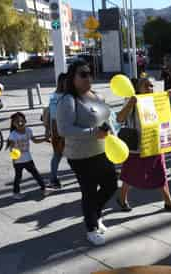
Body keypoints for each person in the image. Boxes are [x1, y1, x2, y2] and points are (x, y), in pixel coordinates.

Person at [56, 61, 118, 246]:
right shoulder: (68, 100)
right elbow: (64, 129)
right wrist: (93, 133)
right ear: (72, 78)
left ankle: (94, 214)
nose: (88, 77)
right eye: (82, 74)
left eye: (90, 73)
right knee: (89, 191)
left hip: (102, 151)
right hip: (80, 155)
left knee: (111, 185)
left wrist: (114, 137)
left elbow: (107, 119)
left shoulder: (96, 95)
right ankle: (91, 228)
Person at [116, 77, 171, 212]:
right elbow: (119, 118)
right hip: (137, 147)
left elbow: (164, 116)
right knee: (130, 174)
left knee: (161, 171)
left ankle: (168, 201)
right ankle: (122, 198)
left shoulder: (154, 100)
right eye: (146, 86)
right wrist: (131, 103)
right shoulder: (131, 100)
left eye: (151, 86)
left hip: (154, 143)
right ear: (138, 89)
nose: (150, 88)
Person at [7, 112, 49, 200]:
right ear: (13, 124)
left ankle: (44, 189)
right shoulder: (13, 135)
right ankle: (16, 193)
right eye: (17, 122)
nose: (20, 123)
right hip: (18, 161)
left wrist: (44, 139)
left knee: (36, 174)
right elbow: (11, 149)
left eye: (21, 121)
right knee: (18, 177)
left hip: (28, 159)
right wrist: (14, 160)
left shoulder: (28, 131)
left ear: (25, 121)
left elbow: (35, 140)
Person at [47, 73, 67, 189]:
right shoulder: (62, 97)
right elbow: (54, 116)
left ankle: (53, 179)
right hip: (61, 131)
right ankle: (53, 179)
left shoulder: (53, 96)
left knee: (57, 156)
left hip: (57, 130)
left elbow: (50, 115)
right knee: (63, 155)